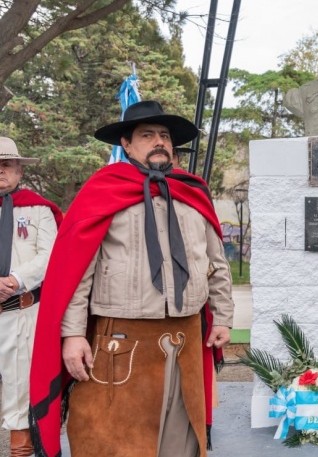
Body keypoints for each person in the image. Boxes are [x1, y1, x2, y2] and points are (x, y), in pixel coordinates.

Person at [29, 100, 235, 457]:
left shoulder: (193, 192)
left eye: (165, 136)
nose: (159, 142)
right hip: (121, 343)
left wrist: (224, 315)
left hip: (185, 340)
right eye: (147, 135)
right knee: (112, 441)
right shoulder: (103, 191)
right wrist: (73, 335)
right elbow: (76, 273)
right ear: (126, 144)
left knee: (181, 445)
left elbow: (216, 263)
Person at [0, 137, 61, 457]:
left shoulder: (38, 209)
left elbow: (51, 254)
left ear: (20, 170)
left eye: (7, 165)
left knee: (20, 388)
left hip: (21, 313)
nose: (1, 171)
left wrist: (15, 279)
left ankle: (21, 450)